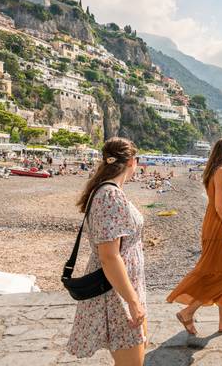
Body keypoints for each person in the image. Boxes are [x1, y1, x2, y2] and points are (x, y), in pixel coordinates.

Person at [67, 137, 147, 366]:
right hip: (117, 291)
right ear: (133, 162)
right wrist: (132, 301)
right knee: (131, 362)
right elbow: (109, 255)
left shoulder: (108, 191)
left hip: (123, 286)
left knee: (134, 355)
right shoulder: (110, 195)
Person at [166, 138, 222, 335]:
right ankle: (188, 312)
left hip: (214, 225)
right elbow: (220, 206)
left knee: (219, 272)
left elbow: (219, 204)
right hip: (219, 228)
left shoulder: (212, 171)